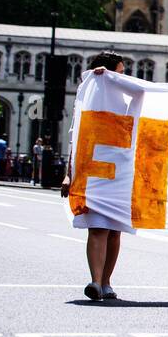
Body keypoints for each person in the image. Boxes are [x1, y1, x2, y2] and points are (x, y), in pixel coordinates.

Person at [58, 52, 130, 302]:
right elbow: (76, 138)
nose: (123, 77)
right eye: (119, 73)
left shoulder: (129, 98)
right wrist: (69, 175)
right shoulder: (89, 98)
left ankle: (107, 281)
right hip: (94, 172)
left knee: (114, 232)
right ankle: (95, 281)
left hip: (121, 172)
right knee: (98, 228)